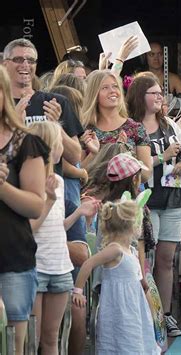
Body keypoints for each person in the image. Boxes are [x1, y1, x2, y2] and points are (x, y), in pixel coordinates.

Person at [126, 74, 181, 337]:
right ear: (139, 96)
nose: (159, 97)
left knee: (167, 260)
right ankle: (147, 314)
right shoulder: (131, 127)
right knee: (147, 260)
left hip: (173, 198)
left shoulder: (169, 125)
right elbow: (132, 164)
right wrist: (161, 157)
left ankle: (165, 315)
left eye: (160, 93)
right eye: (153, 93)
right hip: (146, 201)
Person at [28, 121, 99, 355]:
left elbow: (58, 227)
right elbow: (30, 227)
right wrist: (47, 200)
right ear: (47, 146)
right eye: (59, 142)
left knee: (52, 338)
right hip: (37, 267)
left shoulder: (58, 182)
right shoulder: (30, 182)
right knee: (33, 338)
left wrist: (79, 213)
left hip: (60, 267)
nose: (64, 149)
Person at [0, 65, 49, 355]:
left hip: (12, 260)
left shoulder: (25, 143)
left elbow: (35, 204)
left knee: (13, 346)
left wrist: (3, 188)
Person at [72, 200, 160, 354]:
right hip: (118, 310)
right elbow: (88, 264)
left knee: (134, 342)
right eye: (139, 223)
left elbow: (137, 282)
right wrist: (77, 291)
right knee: (119, 343)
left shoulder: (131, 251)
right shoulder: (115, 250)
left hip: (133, 309)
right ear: (131, 226)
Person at [2, 38, 83, 169]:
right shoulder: (1, 103)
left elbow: (75, 157)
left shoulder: (56, 102)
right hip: (11, 185)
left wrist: (56, 127)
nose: (25, 64)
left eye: (30, 60)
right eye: (18, 59)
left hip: (50, 186)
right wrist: (13, 124)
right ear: (5, 64)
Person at [80, 69, 152, 181]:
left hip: (126, 196)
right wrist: (93, 155)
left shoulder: (135, 128)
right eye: (105, 88)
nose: (112, 91)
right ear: (94, 94)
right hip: (93, 196)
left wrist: (124, 153)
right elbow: (80, 174)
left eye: (115, 86)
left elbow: (146, 174)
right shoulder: (85, 130)